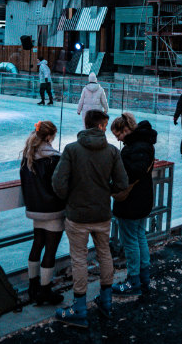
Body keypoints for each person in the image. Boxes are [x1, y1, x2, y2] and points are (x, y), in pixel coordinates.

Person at [52, 109, 128, 328]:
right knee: (105, 254)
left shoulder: (72, 150)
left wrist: (71, 197)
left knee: (79, 258)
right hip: (102, 213)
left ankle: (79, 307)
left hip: (77, 215)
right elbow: (122, 184)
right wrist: (105, 191)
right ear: (101, 126)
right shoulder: (113, 152)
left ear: (86, 124)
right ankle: (106, 301)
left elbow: (59, 183)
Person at [110, 112, 157, 297]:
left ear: (127, 130)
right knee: (139, 237)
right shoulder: (146, 144)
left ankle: (133, 280)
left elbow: (131, 173)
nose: (118, 139)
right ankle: (143, 277)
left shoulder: (133, 149)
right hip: (144, 199)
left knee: (130, 241)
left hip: (131, 202)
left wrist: (116, 175)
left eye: (118, 135)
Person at [19, 120, 64, 305]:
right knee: (50, 249)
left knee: (37, 244)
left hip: (35, 209)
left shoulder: (28, 156)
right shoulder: (54, 158)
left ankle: (33, 286)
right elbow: (59, 185)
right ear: (48, 137)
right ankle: (45, 290)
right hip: (53, 209)